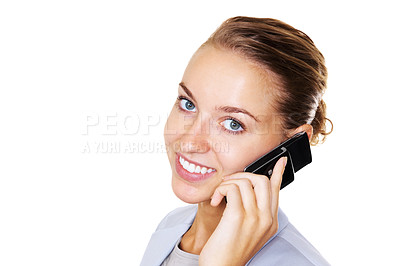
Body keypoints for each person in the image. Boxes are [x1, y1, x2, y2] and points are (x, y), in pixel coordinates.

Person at [141, 16, 332, 266]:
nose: (189, 142)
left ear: (292, 145)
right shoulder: (172, 225)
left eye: (233, 124)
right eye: (188, 104)